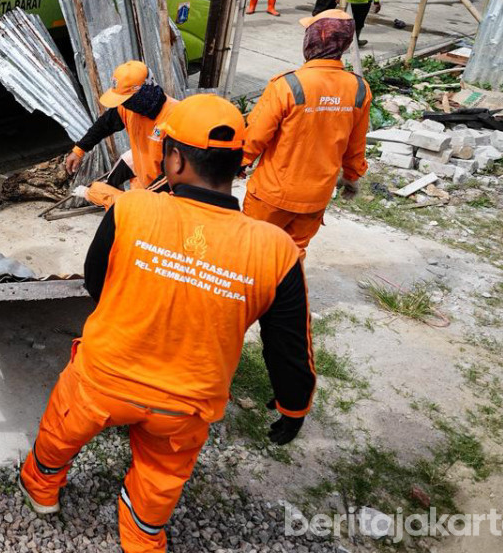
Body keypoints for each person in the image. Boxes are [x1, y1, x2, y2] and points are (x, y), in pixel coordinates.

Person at [19, 94, 315, 552]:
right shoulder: (276, 249)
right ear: (239, 165)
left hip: (103, 380)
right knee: (161, 475)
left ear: (174, 159)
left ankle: (42, 490)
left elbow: (96, 283)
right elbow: (288, 345)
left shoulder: (131, 209)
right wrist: (293, 407)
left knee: (61, 432)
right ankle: (141, 536)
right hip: (186, 403)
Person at [242, 10, 370, 257]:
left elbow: (255, 137)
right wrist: (352, 176)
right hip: (315, 198)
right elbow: (356, 145)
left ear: (313, 40)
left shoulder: (288, 85)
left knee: (252, 253)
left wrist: (236, 164)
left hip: (271, 194)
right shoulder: (359, 89)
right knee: (293, 254)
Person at [64, 61, 177, 191]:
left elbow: (175, 174)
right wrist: (79, 150)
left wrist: (145, 198)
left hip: (170, 195)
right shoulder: (129, 109)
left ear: (146, 91)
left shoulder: (175, 119)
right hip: (146, 188)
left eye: (127, 100)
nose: (124, 105)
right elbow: (104, 125)